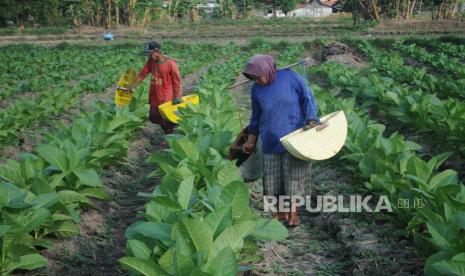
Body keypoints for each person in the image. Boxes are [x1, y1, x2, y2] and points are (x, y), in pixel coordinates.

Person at [241, 55, 324, 226]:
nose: (258, 80)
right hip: (270, 139)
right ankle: (280, 213)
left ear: (268, 69)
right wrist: (250, 140)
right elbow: (256, 117)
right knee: (273, 179)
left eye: (259, 76)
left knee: (293, 177)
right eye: (254, 78)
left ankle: (293, 212)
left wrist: (311, 119)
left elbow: (308, 98)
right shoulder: (257, 89)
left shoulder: (291, 77)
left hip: (295, 137)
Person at [129, 41, 182, 135]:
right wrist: (132, 86)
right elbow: (142, 74)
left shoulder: (171, 64)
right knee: (155, 116)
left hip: (166, 96)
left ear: (157, 52)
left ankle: (170, 137)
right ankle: (168, 133)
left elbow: (176, 83)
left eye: (150, 54)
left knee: (166, 119)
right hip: (154, 95)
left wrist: (177, 97)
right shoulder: (151, 61)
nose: (149, 56)